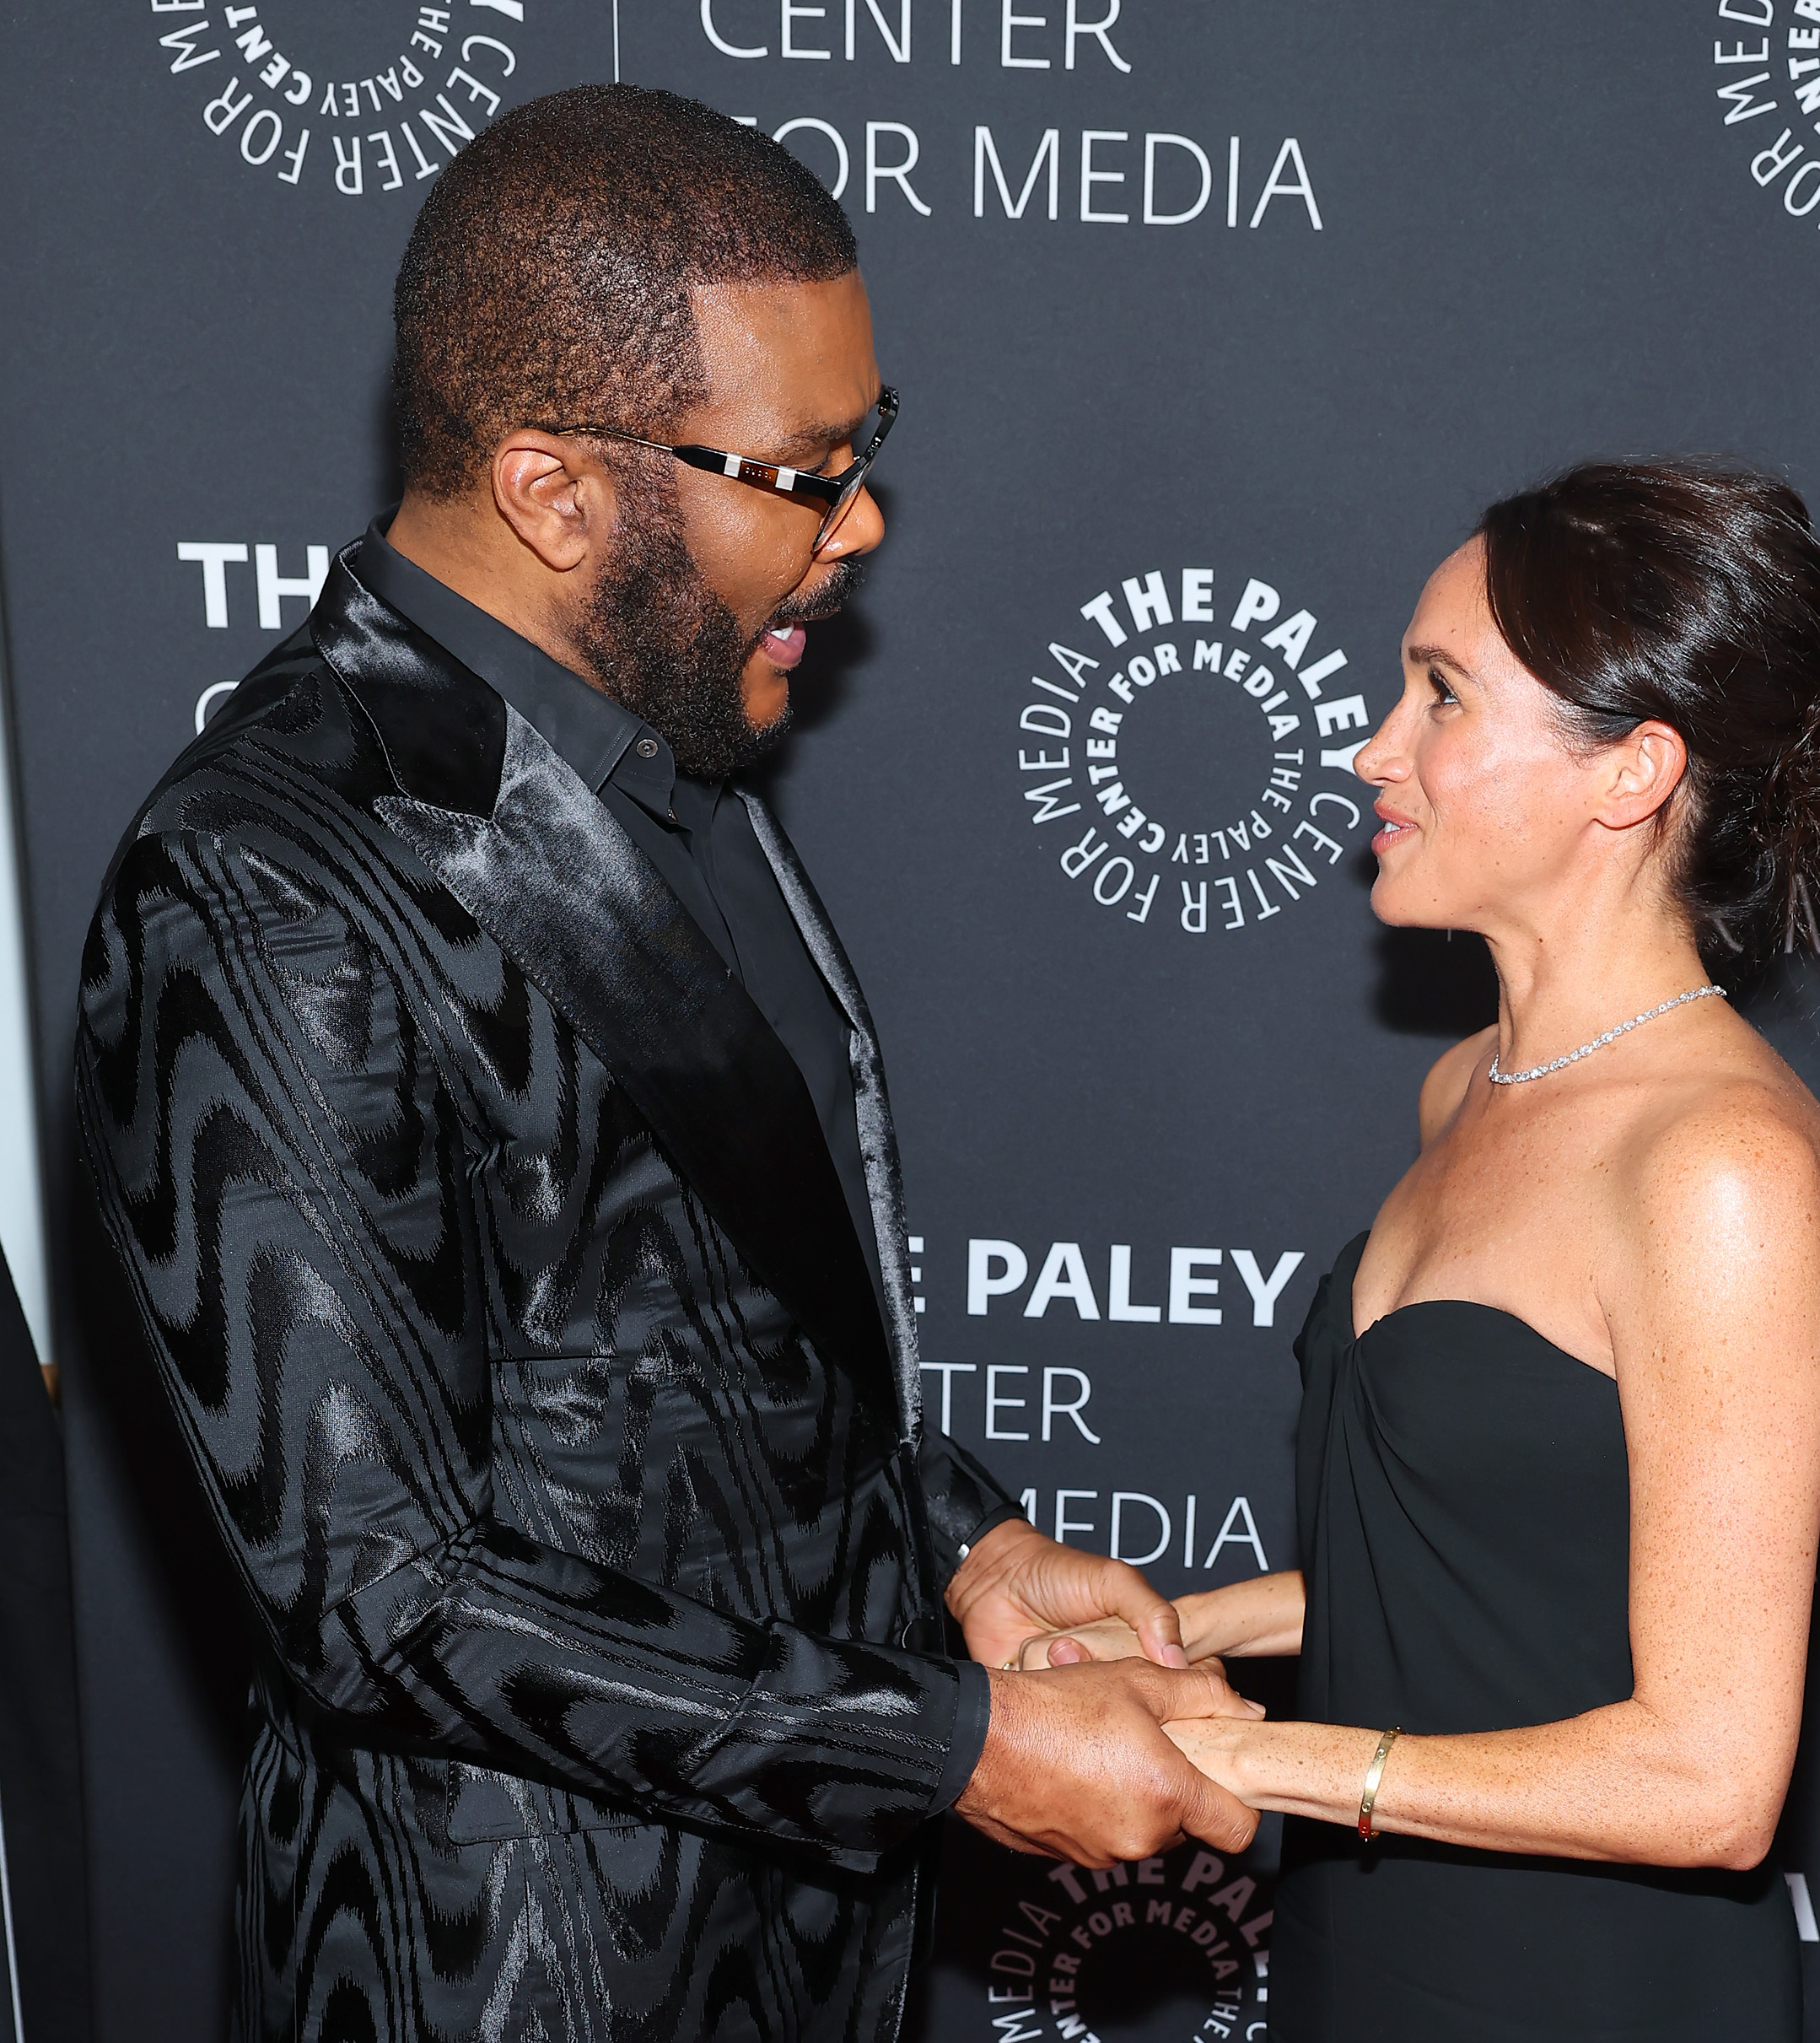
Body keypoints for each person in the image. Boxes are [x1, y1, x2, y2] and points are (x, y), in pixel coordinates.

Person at [75, 87, 1257, 2043]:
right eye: (802, 470)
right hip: (520, 1967)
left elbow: (700, 1359)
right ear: (554, 492)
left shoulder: (671, 731)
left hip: (804, 1944)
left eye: (866, 445)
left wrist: (957, 1545)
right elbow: (383, 1588)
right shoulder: (256, 876)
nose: (861, 521)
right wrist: (948, 1746)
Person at [1019, 461, 1820, 2039]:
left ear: (1630, 772)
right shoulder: (1467, 1082)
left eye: (1441, 695)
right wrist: (1194, 1631)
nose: (1374, 746)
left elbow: (1710, 1776)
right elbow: (1508, 1584)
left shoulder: (1724, 1165)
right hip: (1370, 1942)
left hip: (1582, 1985)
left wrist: (1263, 1756)